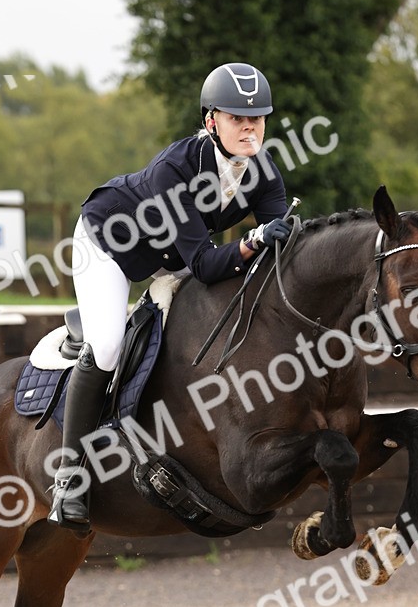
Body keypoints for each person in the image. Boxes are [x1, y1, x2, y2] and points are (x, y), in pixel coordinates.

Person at [48, 61, 292, 534]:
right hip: (109, 244)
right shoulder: (175, 170)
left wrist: (281, 240)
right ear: (211, 122)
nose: (250, 127)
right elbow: (205, 264)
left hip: (173, 254)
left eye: (257, 118)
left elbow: (273, 251)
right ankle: (69, 478)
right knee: (107, 346)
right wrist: (252, 241)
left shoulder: (264, 172)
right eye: (237, 118)